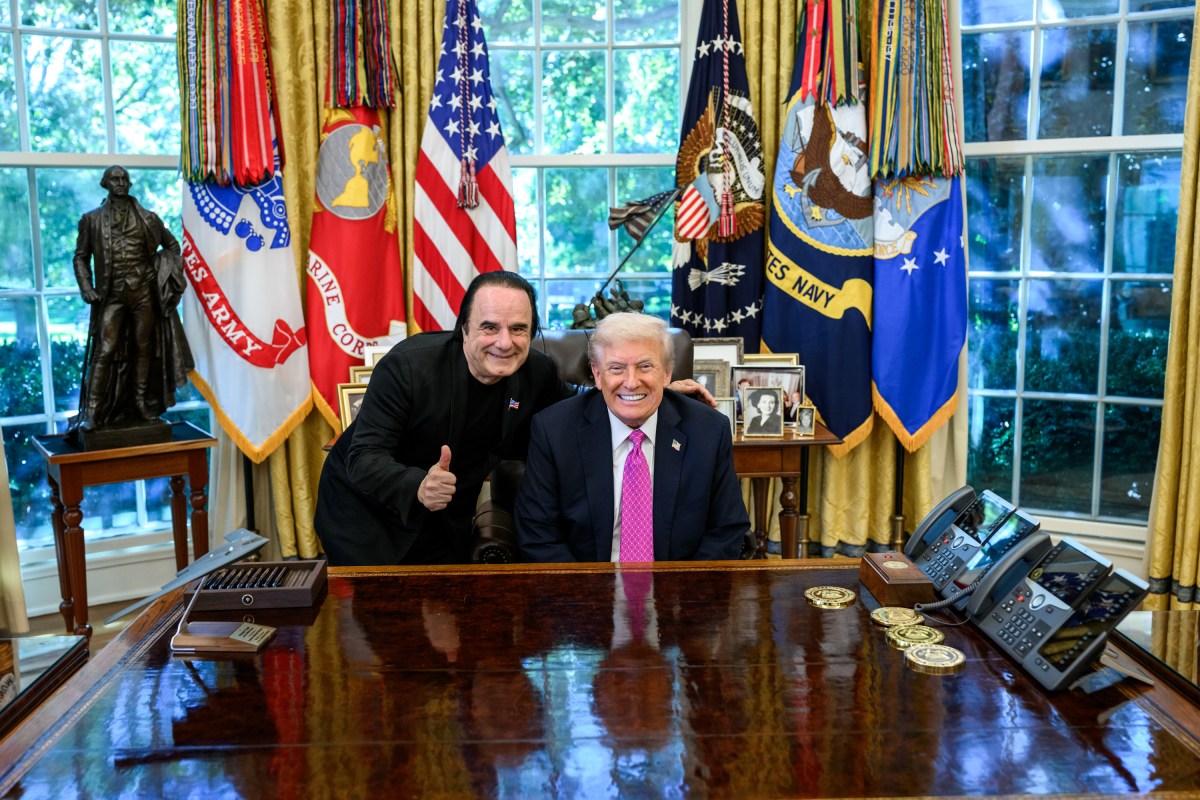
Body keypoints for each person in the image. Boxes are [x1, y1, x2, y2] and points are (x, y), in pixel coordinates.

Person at [314, 271, 714, 566]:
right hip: (364, 517)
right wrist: (417, 484)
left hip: (445, 519)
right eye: (490, 327)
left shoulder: (535, 372)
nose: (505, 342)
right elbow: (363, 457)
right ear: (464, 329)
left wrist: (653, 393)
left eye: (519, 329)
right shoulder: (407, 367)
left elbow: (582, 404)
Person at [515, 312, 748, 562]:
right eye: (616, 368)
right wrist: (586, 598)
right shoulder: (554, 431)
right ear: (597, 374)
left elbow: (726, 529)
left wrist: (682, 595)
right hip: (585, 591)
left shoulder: (708, 430)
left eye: (645, 366)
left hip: (679, 591)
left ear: (667, 372)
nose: (631, 382)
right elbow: (538, 535)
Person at [70, 165, 193, 436]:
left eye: (125, 178)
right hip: (110, 295)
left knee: (143, 347)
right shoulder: (91, 220)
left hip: (143, 293)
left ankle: (141, 403)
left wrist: (162, 272)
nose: (121, 182)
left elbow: (172, 247)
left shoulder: (149, 219)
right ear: (105, 183)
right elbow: (80, 256)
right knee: (105, 350)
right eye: (115, 178)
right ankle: (92, 412)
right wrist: (87, 287)